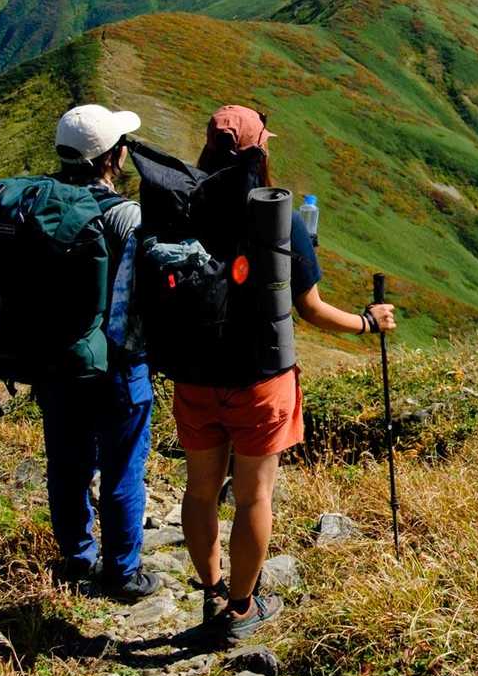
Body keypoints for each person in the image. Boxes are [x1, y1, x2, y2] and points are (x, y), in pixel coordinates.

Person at [173, 104, 396, 643]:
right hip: (259, 379)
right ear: (259, 150)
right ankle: (242, 609)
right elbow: (312, 310)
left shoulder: (181, 207)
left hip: (195, 374)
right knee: (253, 497)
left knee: (200, 492)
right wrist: (368, 323)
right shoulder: (279, 218)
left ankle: (211, 592)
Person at [43, 104, 162, 602]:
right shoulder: (124, 215)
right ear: (113, 156)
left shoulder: (40, 205)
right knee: (122, 466)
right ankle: (123, 572)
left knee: (66, 464)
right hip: (117, 363)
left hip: (56, 359)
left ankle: (77, 558)